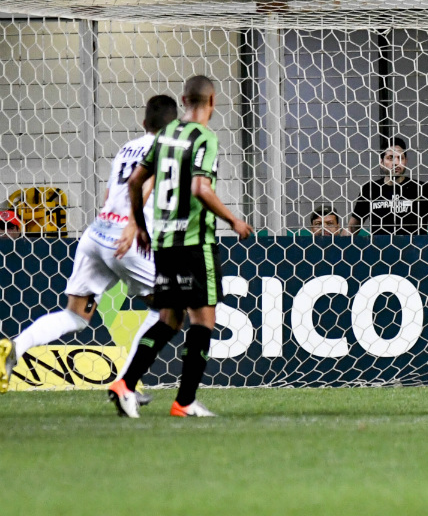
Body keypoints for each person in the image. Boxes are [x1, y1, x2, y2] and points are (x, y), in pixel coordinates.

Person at [0, 95, 178, 396]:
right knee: (167, 311)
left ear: (143, 122)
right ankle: (125, 385)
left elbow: (110, 194)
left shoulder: (126, 148)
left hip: (97, 232)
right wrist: (133, 224)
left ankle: (14, 347)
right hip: (127, 238)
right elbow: (144, 184)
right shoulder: (167, 150)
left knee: (75, 316)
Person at [107, 75, 253, 418]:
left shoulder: (166, 134)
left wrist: (140, 226)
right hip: (194, 242)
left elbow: (135, 181)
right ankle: (184, 401)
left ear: (184, 100)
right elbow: (201, 188)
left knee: (170, 319)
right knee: (203, 320)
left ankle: (125, 383)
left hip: (164, 241)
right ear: (212, 101)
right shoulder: (205, 137)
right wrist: (233, 220)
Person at [349, 138, 428, 235]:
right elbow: (352, 227)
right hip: (380, 249)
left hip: (415, 249)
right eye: (390, 158)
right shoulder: (370, 189)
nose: (396, 163)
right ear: (381, 162)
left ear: (406, 161)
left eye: (400, 158)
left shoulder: (420, 188)